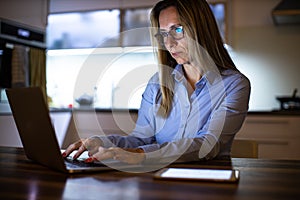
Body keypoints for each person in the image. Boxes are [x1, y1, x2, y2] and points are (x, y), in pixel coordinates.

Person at [63, 0, 250, 165]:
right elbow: (142, 139)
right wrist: (103, 142)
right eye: (162, 34)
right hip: (158, 181)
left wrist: (141, 155)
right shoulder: (157, 84)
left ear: (201, 29)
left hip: (208, 182)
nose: (168, 43)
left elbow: (209, 144)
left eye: (177, 30)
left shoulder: (234, 85)